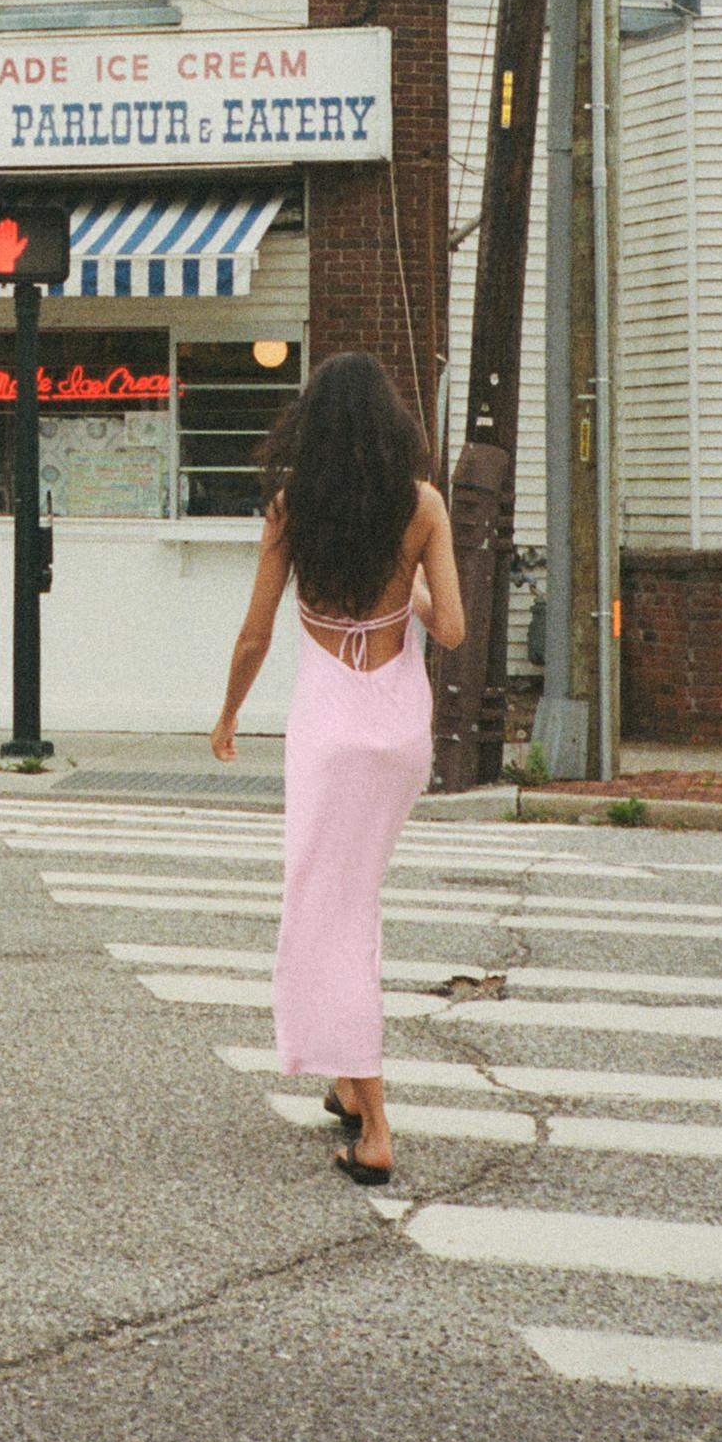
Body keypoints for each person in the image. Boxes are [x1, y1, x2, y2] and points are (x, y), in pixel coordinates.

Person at [210, 352, 465, 1189]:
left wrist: (227, 713)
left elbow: (254, 633)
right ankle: (350, 1090)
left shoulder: (293, 509)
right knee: (353, 900)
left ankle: (379, 1125)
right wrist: (413, 600)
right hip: (396, 732)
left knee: (327, 909)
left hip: (328, 727)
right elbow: (454, 630)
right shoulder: (422, 506)